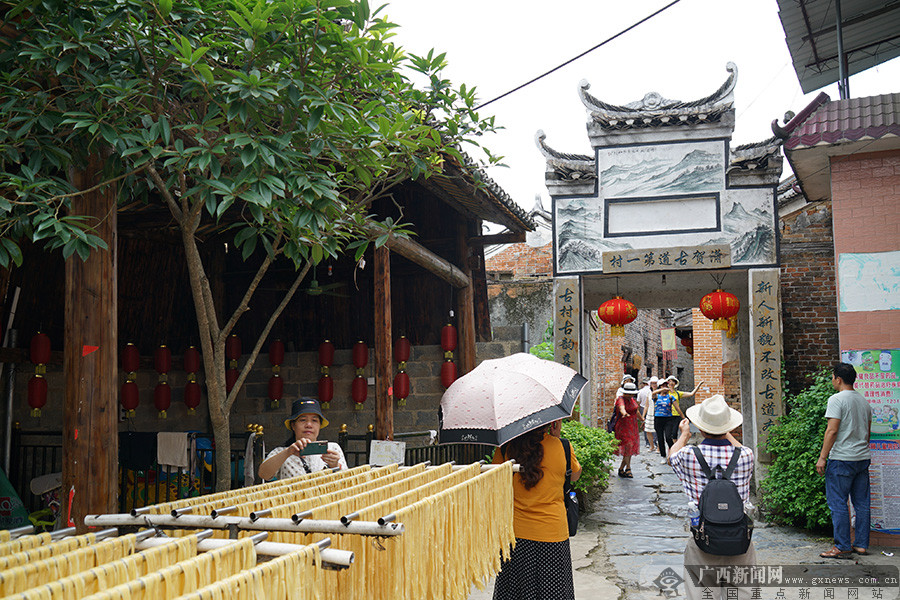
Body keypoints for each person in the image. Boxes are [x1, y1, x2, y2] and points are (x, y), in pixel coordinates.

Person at [668, 395, 756, 600]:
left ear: (701, 427)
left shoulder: (688, 455)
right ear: (728, 427)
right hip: (740, 539)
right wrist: (726, 430)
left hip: (703, 538)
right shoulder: (746, 456)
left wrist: (684, 435)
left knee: (701, 594)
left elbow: (672, 457)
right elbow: (740, 447)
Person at [492, 425, 581, 600]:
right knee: (553, 592)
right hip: (553, 533)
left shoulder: (505, 449)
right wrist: (556, 437)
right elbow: (575, 476)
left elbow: (495, 481)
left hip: (517, 533)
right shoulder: (562, 446)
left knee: (516, 592)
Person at [816, 362, 872, 559]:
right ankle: (862, 545)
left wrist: (822, 457)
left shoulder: (837, 399)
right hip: (862, 457)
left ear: (838, 379)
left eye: (832, 377)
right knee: (862, 503)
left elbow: (832, 430)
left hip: (841, 459)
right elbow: (867, 433)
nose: (832, 381)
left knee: (838, 503)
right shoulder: (864, 401)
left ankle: (842, 546)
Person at [258, 397, 347, 480]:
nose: (309, 425)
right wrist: (288, 452)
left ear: (320, 425)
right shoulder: (281, 452)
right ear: (293, 425)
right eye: (303, 420)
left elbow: (346, 483)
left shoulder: (332, 448)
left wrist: (335, 465)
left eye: (314, 420)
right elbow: (263, 475)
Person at [614, 382, 642, 477]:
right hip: (623, 426)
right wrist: (624, 413)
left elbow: (636, 410)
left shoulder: (632, 400)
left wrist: (642, 419)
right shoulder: (620, 399)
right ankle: (628, 468)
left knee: (629, 447)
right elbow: (621, 408)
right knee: (628, 445)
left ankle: (622, 469)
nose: (631, 395)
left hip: (632, 426)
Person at [639, 376, 659, 451]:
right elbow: (646, 405)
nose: (653, 385)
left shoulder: (660, 392)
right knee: (648, 430)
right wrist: (643, 416)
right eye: (652, 383)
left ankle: (658, 447)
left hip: (657, 413)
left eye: (655, 383)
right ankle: (652, 446)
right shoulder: (649, 393)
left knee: (657, 431)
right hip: (650, 413)